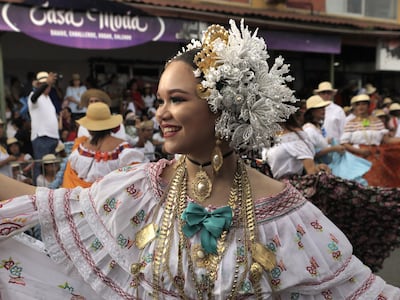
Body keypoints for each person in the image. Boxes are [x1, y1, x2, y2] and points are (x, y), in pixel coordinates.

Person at [0, 19, 399, 299]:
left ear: (223, 106)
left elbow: (356, 290)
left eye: (176, 100)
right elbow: (52, 205)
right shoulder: (141, 189)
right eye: (160, 100)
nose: (161, 114)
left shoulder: (287, 216)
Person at [62, 102, 145, 188]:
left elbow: (71, 182)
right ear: (110, 124)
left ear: (89, 127)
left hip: (85, 200)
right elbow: (136, 181)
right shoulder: (124, 151)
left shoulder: (80, 150)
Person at [341, 94, 400, 187]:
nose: (361, 107)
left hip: (376, 156)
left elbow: (386, 140)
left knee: (380, 183)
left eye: (363, 104)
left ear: (368, 106)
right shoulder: (350, 123)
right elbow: (344, 143)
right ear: (355, 107)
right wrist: (359, 151)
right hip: (357, 158)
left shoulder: (377, 121)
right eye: (358, 104)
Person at [28, 71, 60, 184]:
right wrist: (46, 83)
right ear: (37, 85)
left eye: (48, 84)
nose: (47, 86)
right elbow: (34, 97)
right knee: (40, 168)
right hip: (42, 137)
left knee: (53, 169)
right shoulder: (34, 96)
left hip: (52, 138)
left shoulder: (48, 99)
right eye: (43, 84)